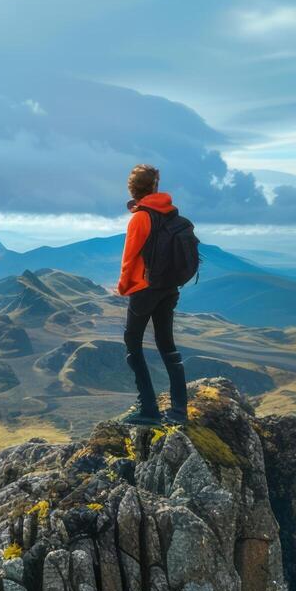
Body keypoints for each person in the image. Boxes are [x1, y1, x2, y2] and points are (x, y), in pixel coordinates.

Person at [117, 163, 189, 424]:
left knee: (132, 343)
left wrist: (124, 287)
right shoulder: (170, 213)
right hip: (169, 287)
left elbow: (129, 258)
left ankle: (149, 408)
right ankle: (179, 411)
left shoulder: (140, 217)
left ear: (133, 189)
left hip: (144, 289)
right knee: (166, 344)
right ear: (155, 186)